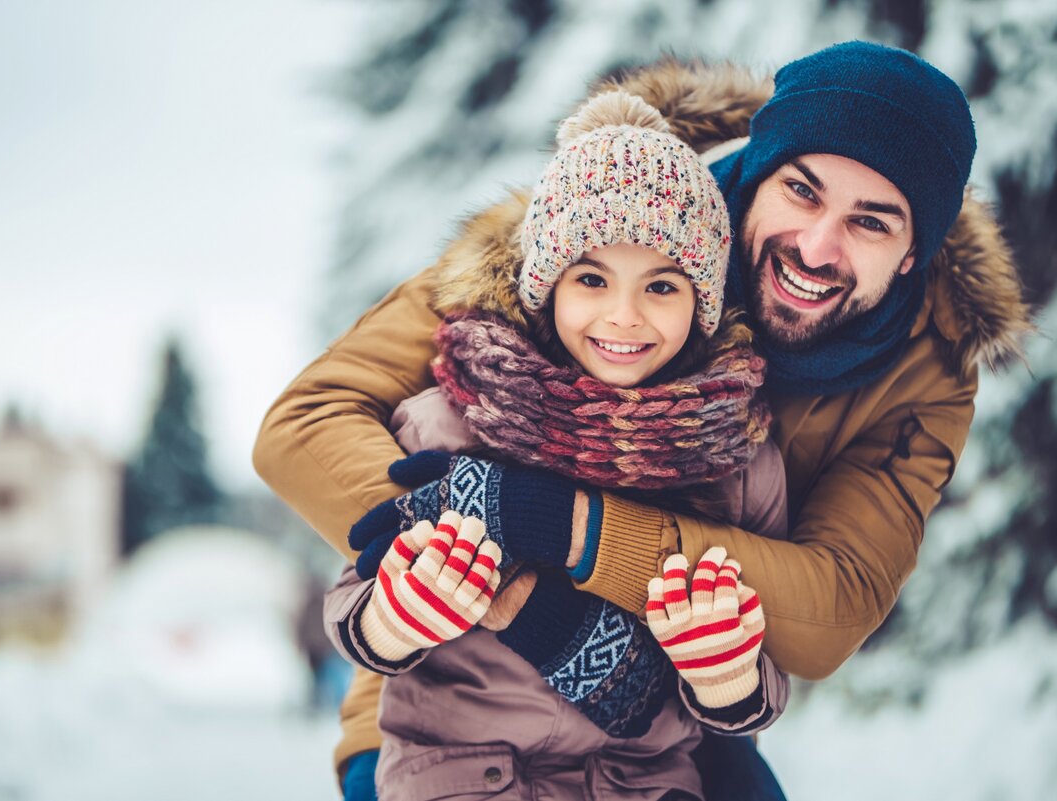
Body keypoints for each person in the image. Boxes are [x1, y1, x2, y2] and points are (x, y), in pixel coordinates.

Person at [254, 40, 1031, 799]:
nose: (818, 245)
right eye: (802, 190)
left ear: (910, 255)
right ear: (759, 172)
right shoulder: (602, 216)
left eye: (872, 222)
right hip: (453, 703)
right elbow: (305, 426)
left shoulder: (923, 375)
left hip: (669, 715)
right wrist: (506, 580)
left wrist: (573, 528)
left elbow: (830, 605)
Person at [323, 91, 791, 800]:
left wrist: (725, 675)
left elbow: (761, 677)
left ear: (701, 301)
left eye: (662, 285)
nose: (624, 316)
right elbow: (357, 593)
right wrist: (395, 617)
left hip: (643, 782)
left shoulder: (739, 463)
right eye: (592, 278)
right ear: (546, 286)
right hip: (459, 776)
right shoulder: (448, 423)